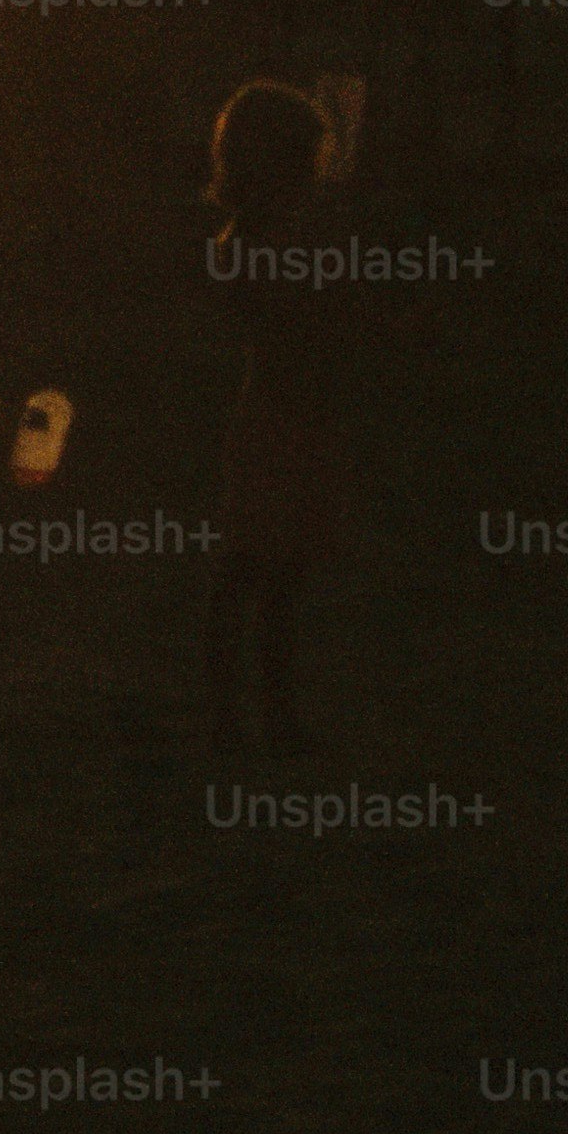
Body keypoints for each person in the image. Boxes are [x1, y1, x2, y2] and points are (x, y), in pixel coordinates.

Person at [200, 77, 360, 760]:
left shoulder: (254, 240)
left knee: (269, 574)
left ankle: (254, 715)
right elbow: (298, 321)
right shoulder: (262, 245)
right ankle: (248, 717)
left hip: (286, 412)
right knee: (258, 572)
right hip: (282, 415)